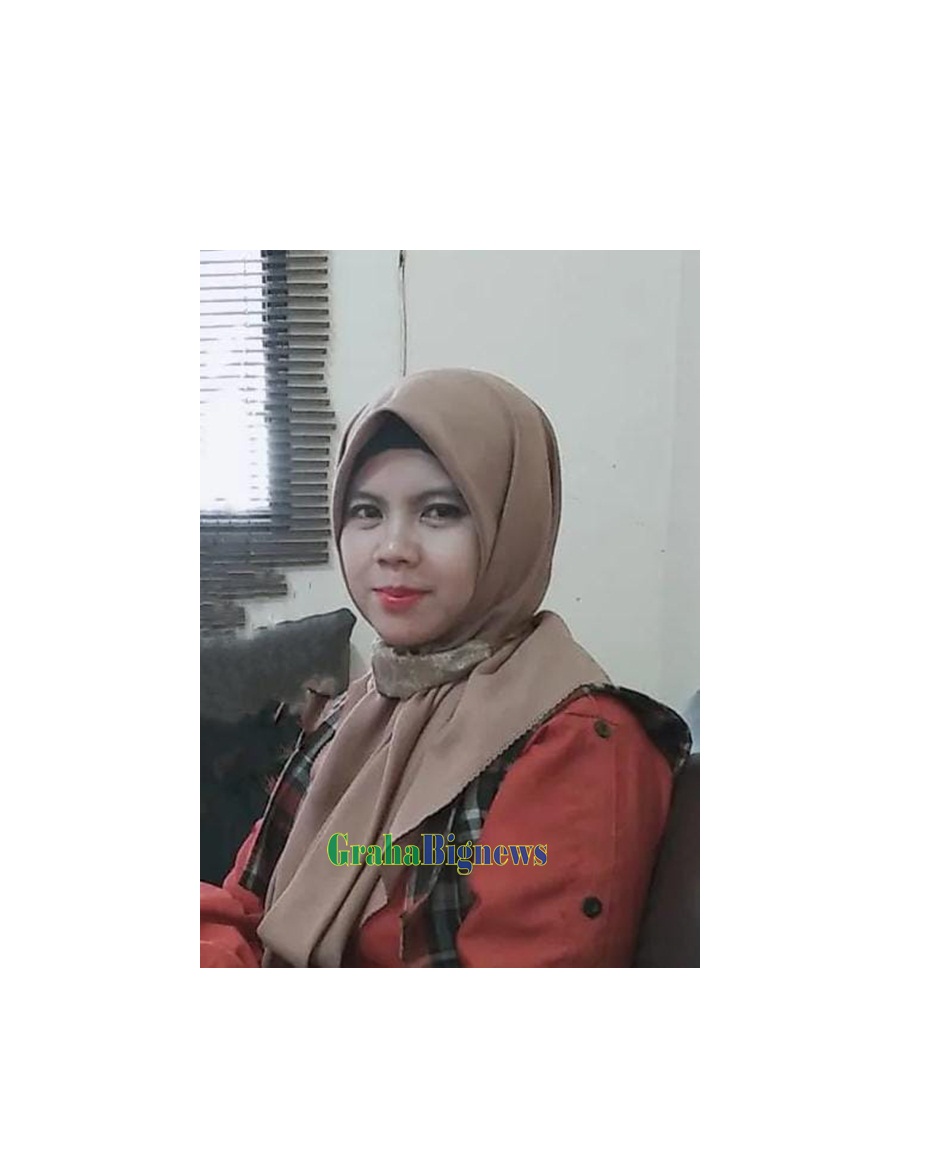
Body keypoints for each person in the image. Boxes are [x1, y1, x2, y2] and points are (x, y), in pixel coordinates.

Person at [200, 368, 691, 967]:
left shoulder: (575, 745)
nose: (393, 548)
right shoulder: (360, 707)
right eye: (366, 511)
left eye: (439, 512)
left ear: (512, 523)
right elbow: (247, 902)